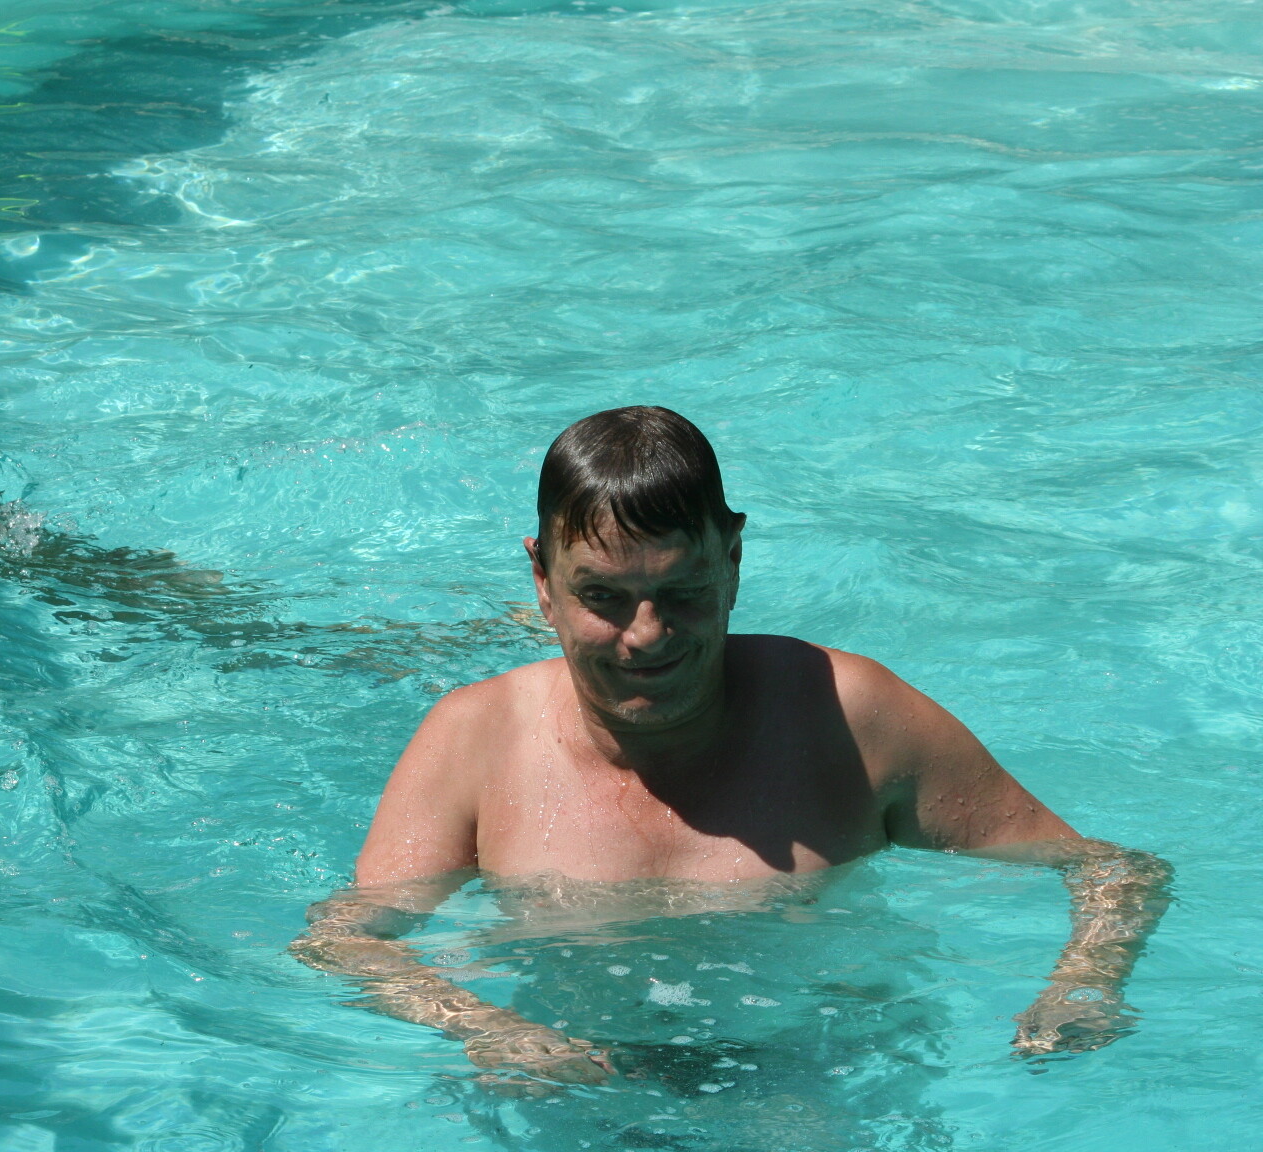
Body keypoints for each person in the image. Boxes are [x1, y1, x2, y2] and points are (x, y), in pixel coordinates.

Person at [292, 405, 1171, 1088]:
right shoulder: (476, 738)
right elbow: (345, 941)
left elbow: (1111, 870)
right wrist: (488, 1030)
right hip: (563, 1084)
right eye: (603, 597)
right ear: (541, 580)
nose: (647, 635)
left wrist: (1082, 985)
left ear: (735, 559)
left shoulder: (851, 719)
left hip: (809, 1078)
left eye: (684, 592)